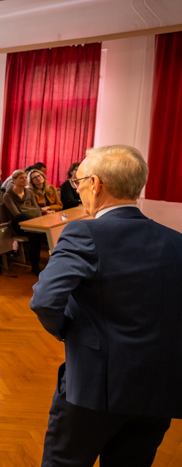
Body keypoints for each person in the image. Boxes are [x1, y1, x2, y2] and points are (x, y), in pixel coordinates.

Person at [30, 145, 182, 466]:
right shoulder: (176, 241)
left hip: (95, 384)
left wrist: (66, 331)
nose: (78, 189)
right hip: (159, 385)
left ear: (95, 183)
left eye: (78, 182)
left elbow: (45, 300)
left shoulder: (84, 231)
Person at [3, 170, 43, 276]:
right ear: (14, 180)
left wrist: (39, 222)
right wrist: (34, 224)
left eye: (25, 178)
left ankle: (35, 265)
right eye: (21, 178)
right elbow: (16, 213)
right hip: (17, 224)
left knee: (35, 235)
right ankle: (35, 265)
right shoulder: (8, 195)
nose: (24, 180)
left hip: (31, 224)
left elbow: (37, 209)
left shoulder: (29, 192)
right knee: (21, 217)